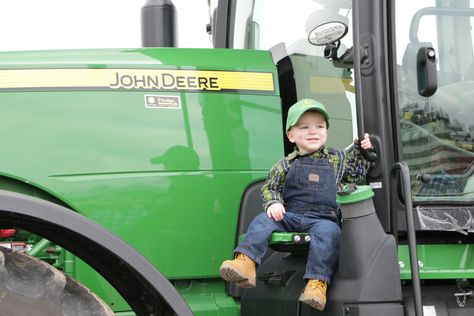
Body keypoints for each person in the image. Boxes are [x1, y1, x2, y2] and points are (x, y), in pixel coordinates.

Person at [219, 98, 373, 311]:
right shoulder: (284, 165)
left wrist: (362, 152)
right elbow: (270, 188)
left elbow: (355, 174)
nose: (313, 131)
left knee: (330, 233)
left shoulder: (338, 159)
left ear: (327, 132)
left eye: (319, 126)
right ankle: (245, 262)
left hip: (322, 219)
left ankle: (316, 285)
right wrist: (273, 203)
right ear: (291, 135)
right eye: (305, 127)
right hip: (290, 216)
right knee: (263, 220)